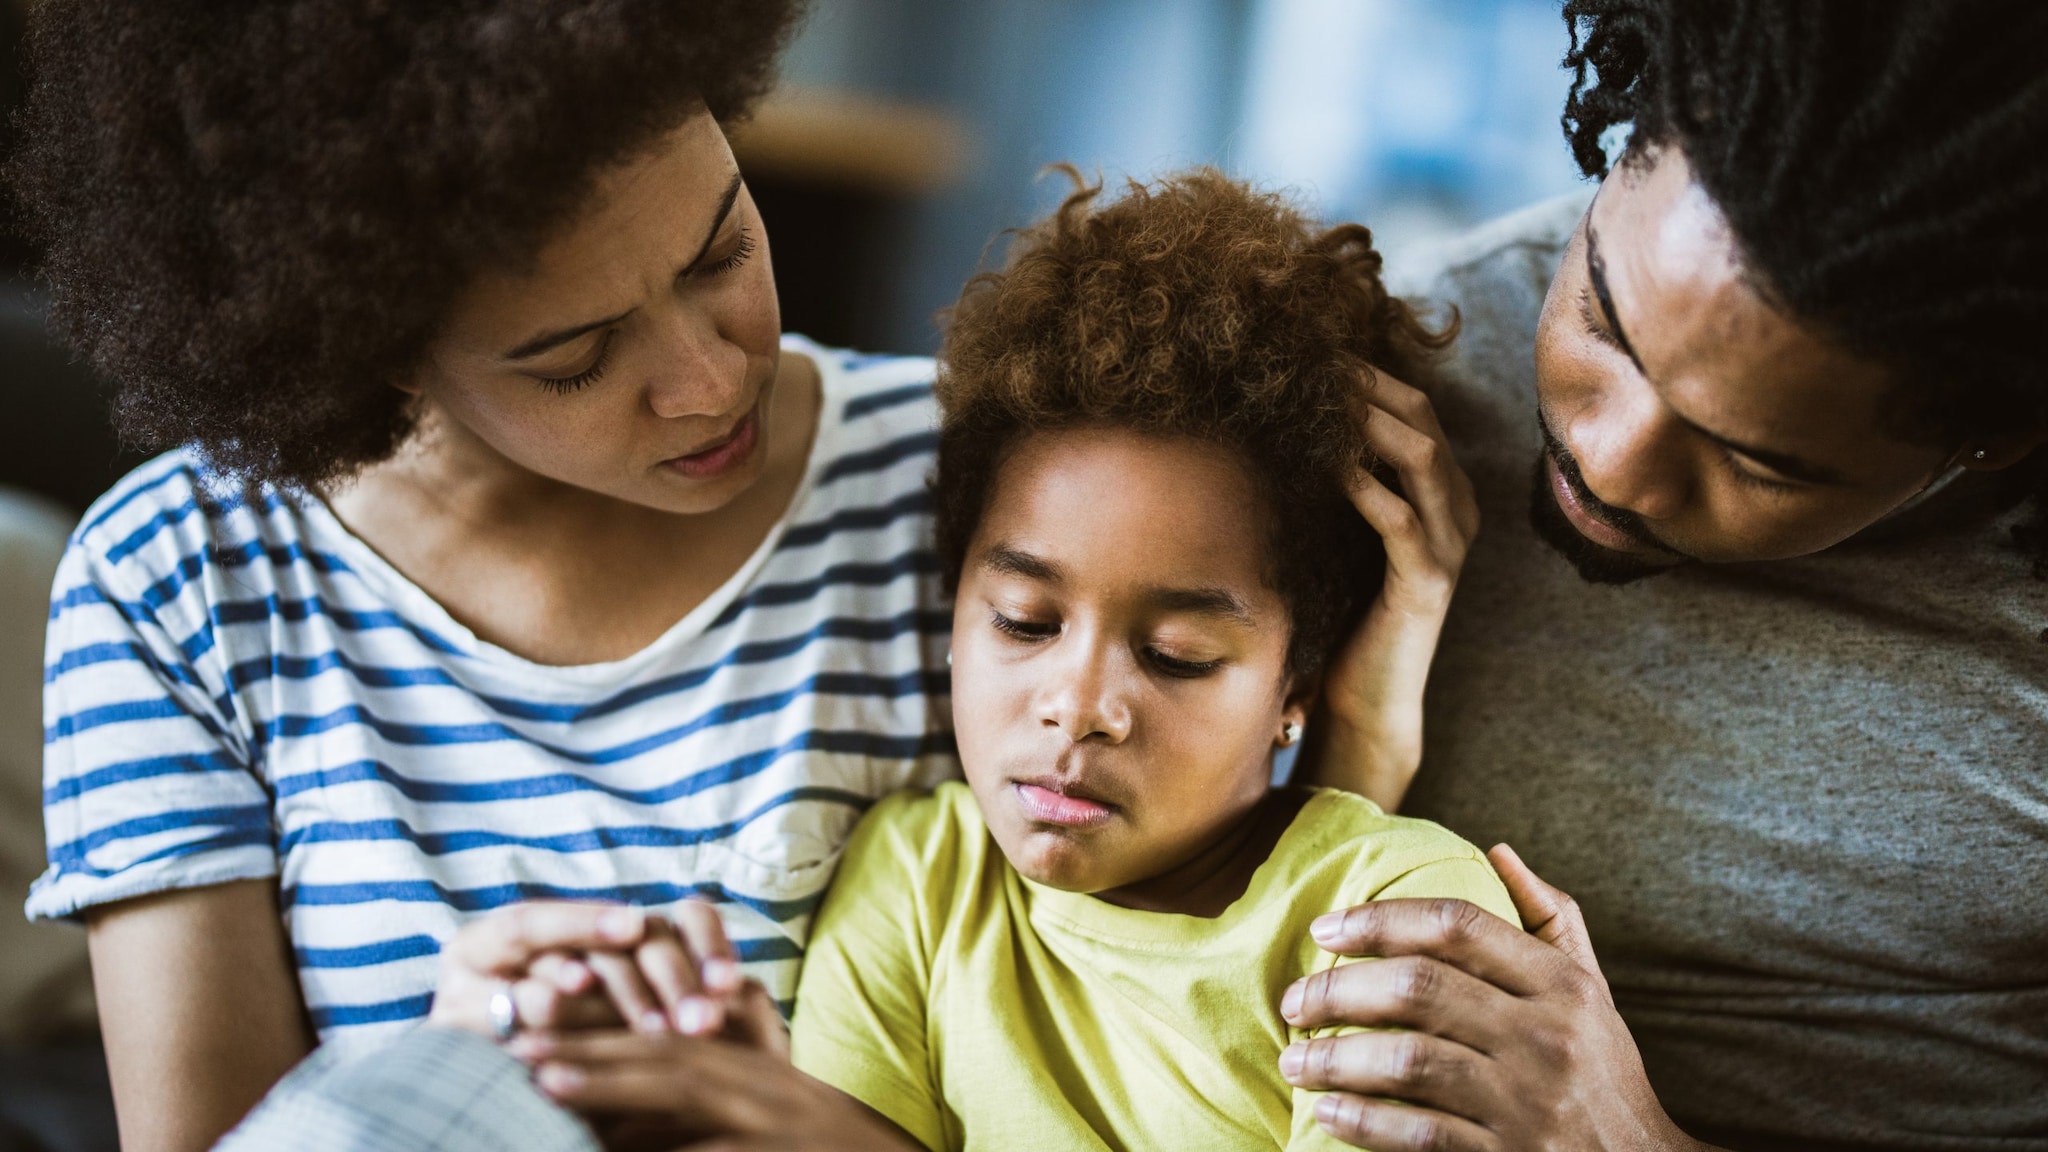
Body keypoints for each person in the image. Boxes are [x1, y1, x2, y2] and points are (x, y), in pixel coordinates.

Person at [10, 3, 1476, 1150]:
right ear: (362, 352)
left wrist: (1353, 741)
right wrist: (460, 1057)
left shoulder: (966, 490)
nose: (713, 380)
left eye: (720, 252)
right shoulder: (175, 586)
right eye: (575, 359)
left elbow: (1144, 972)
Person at [1273, 2, 2048, 1150]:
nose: (1608, 461)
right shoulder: (1392, 362)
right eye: (1602, 320)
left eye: (1755, 460)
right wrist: (1344, 761)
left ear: (1991, 438)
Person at [784, 169, 1511, 1150]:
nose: (1077, 706)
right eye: (1023, 621)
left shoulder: (1396, 917)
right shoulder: (917, 880)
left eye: (1175, 656)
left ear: (1294, 680)